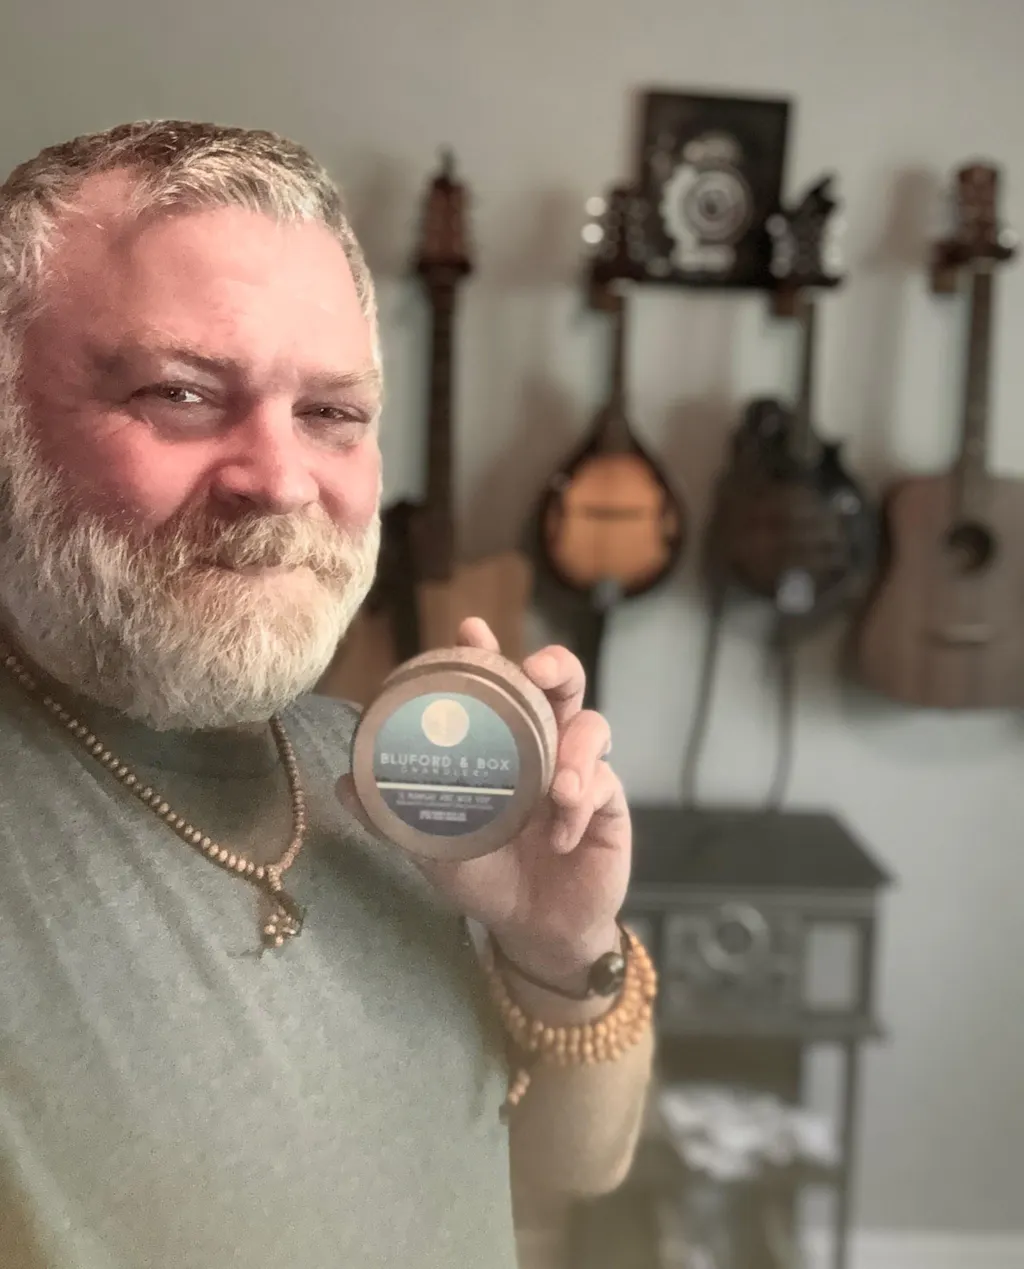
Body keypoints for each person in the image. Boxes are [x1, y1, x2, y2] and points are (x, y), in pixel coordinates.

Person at [0, 120, 655, 1269]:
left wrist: (557, 946)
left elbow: (562, 1170)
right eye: (180, 393)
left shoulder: (394, 781)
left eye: (333, 414)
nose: (282, 481)